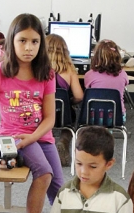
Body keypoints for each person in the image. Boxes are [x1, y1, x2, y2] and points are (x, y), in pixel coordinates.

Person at [0, 13, 64, 213]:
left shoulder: (46, 74)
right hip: (13, 136)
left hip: (37, 136)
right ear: (12, 41)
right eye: (23, 41)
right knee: (44, 173)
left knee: (61, 192)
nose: (29, 47)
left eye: (34, 42)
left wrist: (33, 137)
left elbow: (50, 118)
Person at [46, 33, 83, 166]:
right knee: (67, 126)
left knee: (42, 125)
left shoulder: (38, 70)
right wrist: (69, 102)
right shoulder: (69, 70)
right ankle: (64, 140)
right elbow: (79, 96)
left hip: (42, 113)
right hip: (63, 114)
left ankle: (46, 148)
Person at [84, 39, 129, 120]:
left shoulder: (89, 75)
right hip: (117, 117)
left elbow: (88, 89)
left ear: (96, 56)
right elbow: (125, 84)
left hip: (95, 116)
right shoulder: (123, 74)